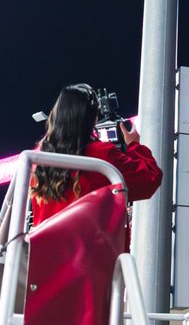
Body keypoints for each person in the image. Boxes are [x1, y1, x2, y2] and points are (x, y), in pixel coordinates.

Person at [30, 83, 162, 225]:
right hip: (90, 239)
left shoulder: (38, 159)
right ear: (93, 118)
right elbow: (150, 179)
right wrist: (134, 145)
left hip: (47, 239)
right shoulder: (102, 156)